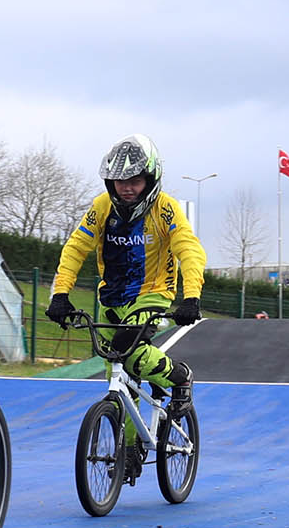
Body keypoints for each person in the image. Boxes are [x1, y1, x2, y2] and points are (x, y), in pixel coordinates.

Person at [45, 134, 205, 414]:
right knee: (118, 376)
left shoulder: (166, 208)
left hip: (152, 293)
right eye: (120, 182)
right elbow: (75, 248)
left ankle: (180, 377)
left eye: (135, 181)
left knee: (126, 348)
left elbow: (189, 250)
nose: (127, 189)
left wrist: (191, 296)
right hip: (111, 299)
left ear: (151, 180)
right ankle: (129, 452)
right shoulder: (101, 207)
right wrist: (60, 294)